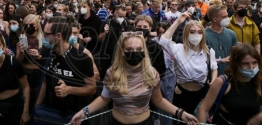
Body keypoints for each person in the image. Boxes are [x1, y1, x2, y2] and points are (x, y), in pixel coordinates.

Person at [70, 31, 198, 125]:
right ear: (122, 51)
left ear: (144, 50)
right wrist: (84, 112)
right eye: (130, 49)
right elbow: (104, 98)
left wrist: (181, 113)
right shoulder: (112, 73)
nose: (135, 52)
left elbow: (158, 100)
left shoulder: (152, 73)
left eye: (139, 49)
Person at [159, 11, 218, 125]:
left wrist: (214, 80)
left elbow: (213, 67)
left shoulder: (208, 51)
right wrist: (178, 21)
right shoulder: (178, 48)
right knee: (179, 122)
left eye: (199, 32)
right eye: (192, 32)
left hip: (200, 94)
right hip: (181, 93)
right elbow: (163, 41)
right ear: (186, 34)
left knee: (198, 121)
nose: (196, 35)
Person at [35, 16, 96, 125]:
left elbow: (92, 89)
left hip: (75, 115)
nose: (43, 37)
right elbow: (44, 82)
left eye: (46, 34)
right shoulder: (46, 54)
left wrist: (69, 90)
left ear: (58, 36)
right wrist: (37, 108)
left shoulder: (82, 59)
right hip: (50, 112)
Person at [198, 43, 262, 125]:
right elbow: (204, 109)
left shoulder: (259, 82)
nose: (251, 67)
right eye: (245, 64)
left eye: (254, 62)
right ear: (236, 64)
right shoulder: (222, 82)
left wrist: (260, 116)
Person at [205, 5, 238, 75]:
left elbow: (235, 54)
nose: (227, 18)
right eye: (224, 17)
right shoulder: (203, 35)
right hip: (210, 76)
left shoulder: (231, 34)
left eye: (227, 16)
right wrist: (222, 60)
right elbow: (202, 60)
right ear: (215, 19)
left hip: (229, 75)